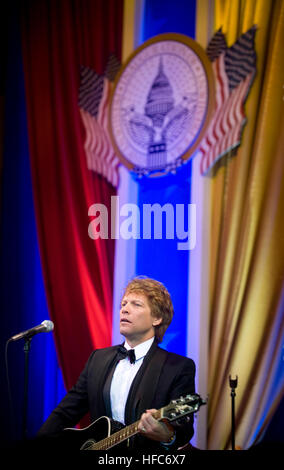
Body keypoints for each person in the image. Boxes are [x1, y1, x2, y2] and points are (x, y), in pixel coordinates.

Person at [37, 277, 196, 451]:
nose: (124, 310)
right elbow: (65, 413)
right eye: (123, 304)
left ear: (157, 318)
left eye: (136, 304)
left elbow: (183, 430)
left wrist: (167, 435)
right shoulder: (98, 359)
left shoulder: (178, 367)